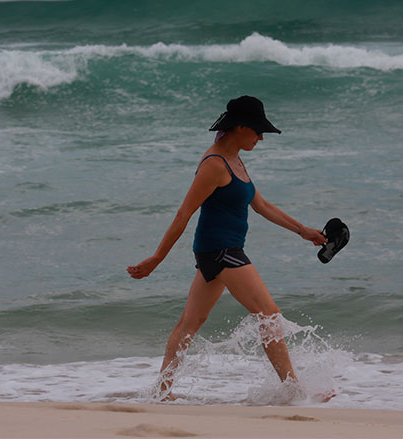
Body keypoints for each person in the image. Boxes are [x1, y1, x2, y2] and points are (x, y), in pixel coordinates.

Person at [127, 95, 327, 400]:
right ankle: (295, 390)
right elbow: (184, 213)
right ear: (241, 128)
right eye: (258, 130)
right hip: (222, 250)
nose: (262, 137)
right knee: (269, 315)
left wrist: (302, 231)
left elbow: (260, 205)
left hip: (215, 250)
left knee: (190, 323)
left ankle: (162, 391)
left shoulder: (235, 159)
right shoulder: (214, 165)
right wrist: (157, 258)